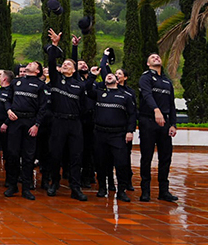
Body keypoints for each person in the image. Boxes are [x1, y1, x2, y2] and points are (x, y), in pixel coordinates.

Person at [44, 30, 93, 201]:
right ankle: (54, 183)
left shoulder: (79, 85)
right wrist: (54, 45)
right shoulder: (56, 79)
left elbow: (84, 106)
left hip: (75, 124)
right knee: (55, 155)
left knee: (75, 156)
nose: (65, 65)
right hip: (58, 122)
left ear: (73, 70)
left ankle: (75, 187)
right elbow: (51, 62)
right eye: (63, 63)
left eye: (68, 64)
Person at [3, 61, 49, 200]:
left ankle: (26, 188)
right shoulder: (16, 82)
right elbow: (8, 100)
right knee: (12, 154)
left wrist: (37, 124)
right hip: (15, 121)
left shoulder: (41, 85)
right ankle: (12, 185)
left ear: (38, 71)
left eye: (33, 64)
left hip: (30, 122)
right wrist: (8, 110)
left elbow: (43, 107)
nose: (29, 64)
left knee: (28, 157)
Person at [91, 62, 136, 201]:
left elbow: (133, 115)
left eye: (113, 75)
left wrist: (130, 131)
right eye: (108, 75)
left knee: (121, 162)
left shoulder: (125, 96)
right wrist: (93, 76)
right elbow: (86, 89)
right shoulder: (98, 93)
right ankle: (102, 188)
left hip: (118, 134)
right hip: (100, 133)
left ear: (118, 80)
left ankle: (121, 190)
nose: (110, 76)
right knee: (101, 162)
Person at [138, 53, 177, 202]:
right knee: (147, 156)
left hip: (164, 124)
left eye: (158, 57)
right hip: (148, 121)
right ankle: (145, 191)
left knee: (165, 157)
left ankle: (163, 191)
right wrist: (156, 110)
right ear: (148, 64)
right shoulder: (146, 77)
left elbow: (171, 104)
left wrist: (173, 124)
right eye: (152, 58)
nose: (156, 58)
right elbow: (147, 95)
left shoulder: (167, 81)